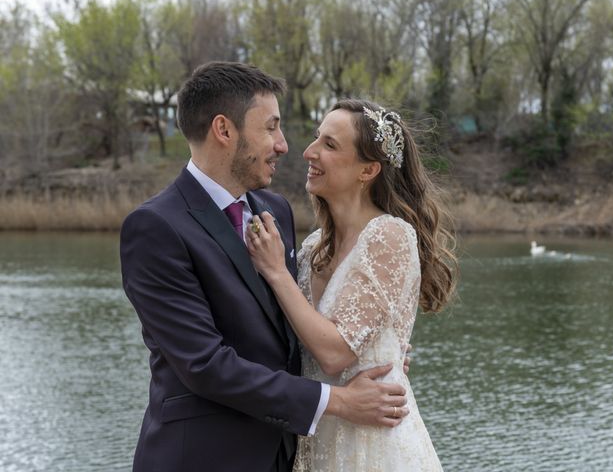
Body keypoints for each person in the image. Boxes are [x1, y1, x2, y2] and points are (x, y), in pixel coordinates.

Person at [120, 62, 410, 472]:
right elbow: (205, 364)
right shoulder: (155, 227)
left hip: (288, 456)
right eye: (271, 127)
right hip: (203, 459)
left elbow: (291, 327)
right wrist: (340, 401)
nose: (284, 145)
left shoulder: (275, 210)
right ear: (224, 130)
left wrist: (377, 349)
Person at [247, 98, 457, 471]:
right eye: (316, 139)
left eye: (330, 145)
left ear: (368, 170)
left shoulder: (390, 236)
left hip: (374, 444)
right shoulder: (312, 248)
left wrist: (276, 272)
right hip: (315, 441)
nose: (309, 152)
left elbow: (334, 354)